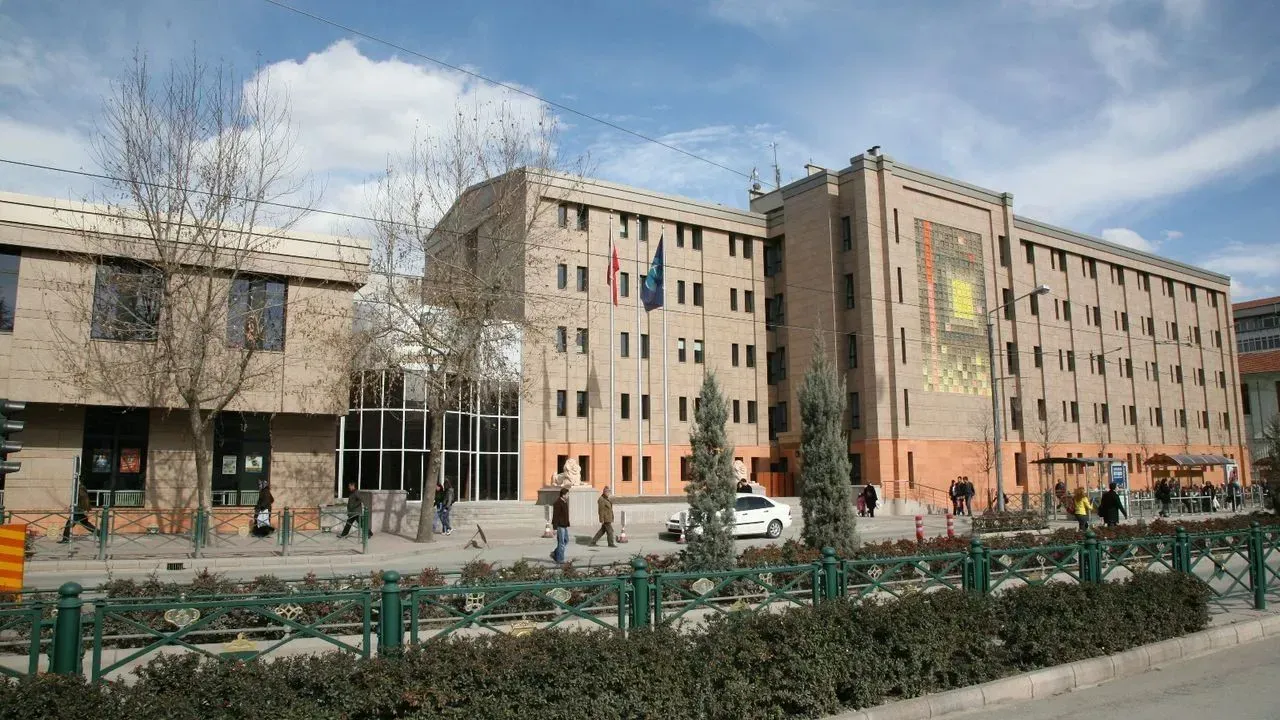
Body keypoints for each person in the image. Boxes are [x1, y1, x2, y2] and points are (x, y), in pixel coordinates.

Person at [550, 487, 570, 564]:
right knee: (561, 543)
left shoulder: (564, 502)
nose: (568, 495)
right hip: (560, 526)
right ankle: (560, 559)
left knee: (566, 540)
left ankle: (555, 553)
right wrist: (555, 528)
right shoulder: (558, 503)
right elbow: (555, 516)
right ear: (563, 495)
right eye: (567, 494)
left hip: (564, 525)